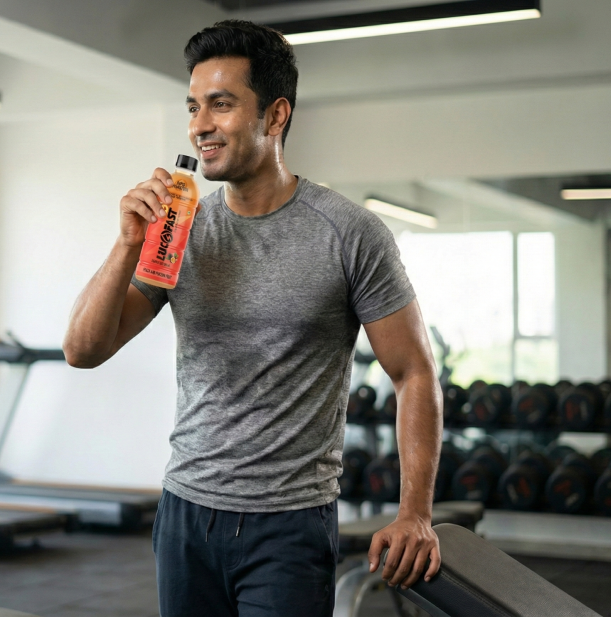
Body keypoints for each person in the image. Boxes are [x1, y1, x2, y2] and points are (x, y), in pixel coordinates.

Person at [63, 19, 442, 617]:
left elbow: (414, 373)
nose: (200, 126)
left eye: (221, 104)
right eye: (193, 107)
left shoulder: (349, 235)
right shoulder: (179, 231)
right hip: (186, 513)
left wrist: (415, 513)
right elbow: (82, 349)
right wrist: (126, 245)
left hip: (289, 525)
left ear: (275, 115)